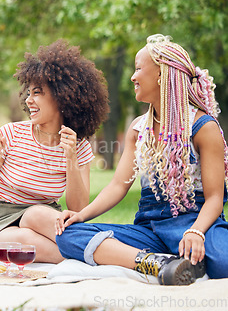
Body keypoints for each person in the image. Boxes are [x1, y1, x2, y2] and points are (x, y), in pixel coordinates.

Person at [55, 34, 228, 285]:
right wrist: (81, 215)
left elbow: (214, 197)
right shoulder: (138, 129)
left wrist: (196, 232)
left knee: (224, 260)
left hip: (194, 222)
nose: (133, 77)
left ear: (162, 75)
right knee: (68, 236)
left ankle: (186, 254)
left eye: (138, 69)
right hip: (150, 230)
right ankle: (157, 263)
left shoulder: (202, 127)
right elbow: (118, 185)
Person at [0, 39, 109, 263]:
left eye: (38, 93)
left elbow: (78, 208)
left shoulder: (78, 144)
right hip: (2, 224)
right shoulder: (10, 134)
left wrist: (70, 158)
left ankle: (97, 254)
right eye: (29, 93)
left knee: (36, 213)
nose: (29, 100)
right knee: (24, 239)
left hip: (45, 221)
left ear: (63, 96)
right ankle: (100, 257)